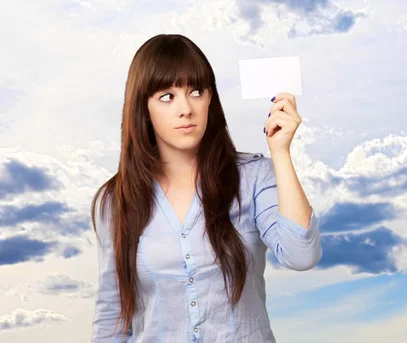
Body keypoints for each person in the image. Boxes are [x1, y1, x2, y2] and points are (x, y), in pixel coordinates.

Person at [90, 33, 322, 343]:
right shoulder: (115, 201)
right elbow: (112, 317)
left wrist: (280, 152)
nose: (185, 108)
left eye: (196, 91)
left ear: (210, 98)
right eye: (167, 96)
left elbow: (301, 255)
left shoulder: (253, 177)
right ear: (142, 107)